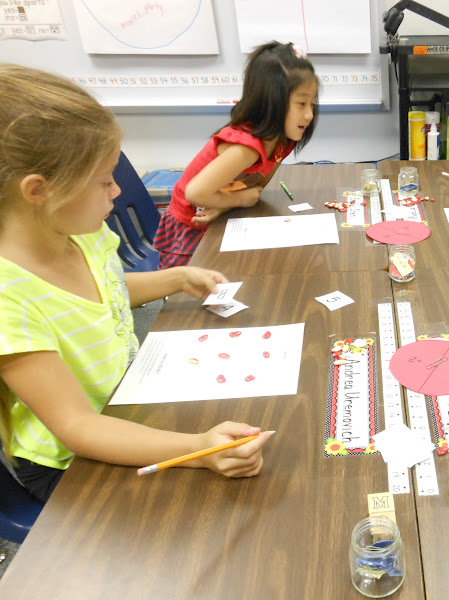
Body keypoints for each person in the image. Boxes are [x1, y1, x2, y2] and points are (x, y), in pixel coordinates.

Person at [0, 64, 272, 503]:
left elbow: (106, 292)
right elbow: (78, 427)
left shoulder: (81, 233)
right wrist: (199, 450)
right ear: (38, 191)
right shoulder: (9, 300)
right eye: (104, 181)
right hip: (72, 464)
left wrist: (176, 278)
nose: (115, 192)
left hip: (127, 400)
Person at [153, 41, 319, 269]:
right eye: (301, 104)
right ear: (270, 102)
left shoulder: (284, 141)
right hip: (191, 227)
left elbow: (255, 186)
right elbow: (195, 193)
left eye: (312, 104)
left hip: (220, 216)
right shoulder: (246, 148)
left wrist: (226, 204)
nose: (309, 115)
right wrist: (238, 200)